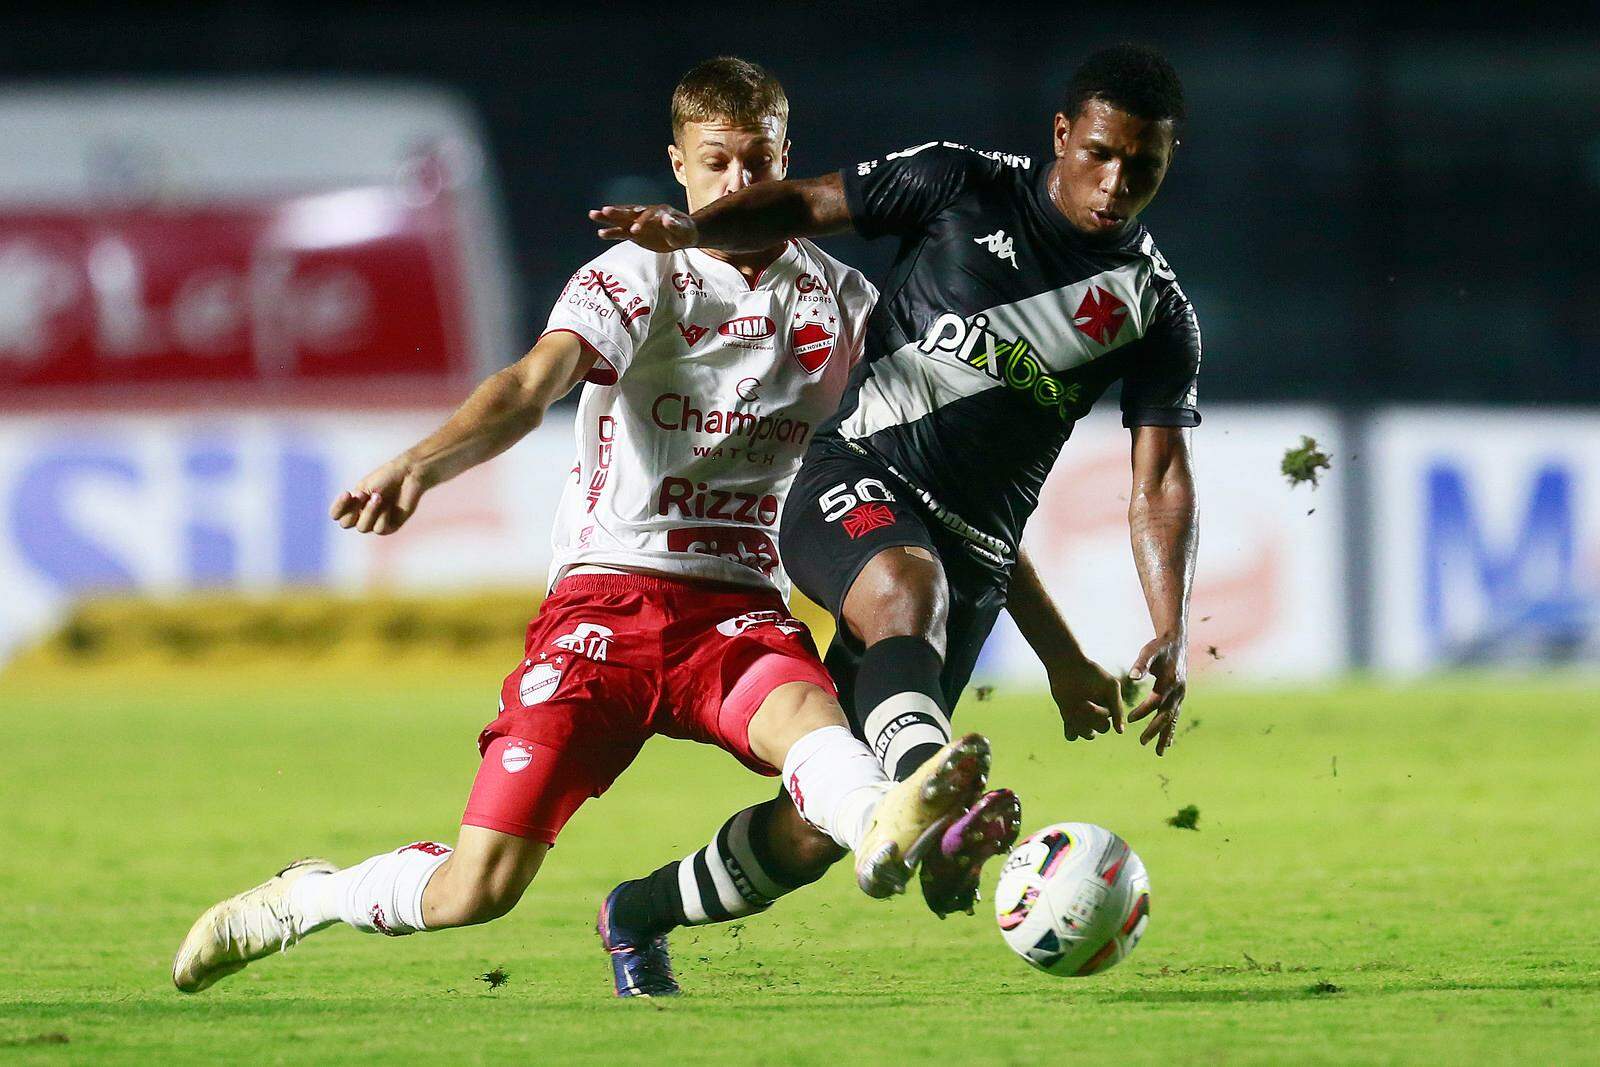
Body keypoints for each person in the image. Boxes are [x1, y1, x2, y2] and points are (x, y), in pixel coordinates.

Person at [170, 57, 1004, 1000]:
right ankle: (309, 896)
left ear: (787, 162)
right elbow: (530, 386)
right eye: (718, 163)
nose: (739, 187)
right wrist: (421, 463)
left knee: (814, 728)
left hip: (731, 609)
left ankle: (898, 823)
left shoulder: (841, 303)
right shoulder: (641, 270)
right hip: (603, 603)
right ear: (680, 165)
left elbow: (925, 467)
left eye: (759, 163)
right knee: (473, 891)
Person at [593, 43, 1198, 924]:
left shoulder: (1154, 311)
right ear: (1062, 134)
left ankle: (638, 912)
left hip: (973, 564)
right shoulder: (959, 185)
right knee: (907, 582)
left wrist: (1162, 629)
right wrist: (694, 230)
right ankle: (937, 796)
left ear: (1167, 161)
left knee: (813, 830)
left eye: (1141, 167)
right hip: (855, 481)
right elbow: (802, 202)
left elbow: (1161, 481)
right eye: (1098, 154)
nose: (1114, 183)